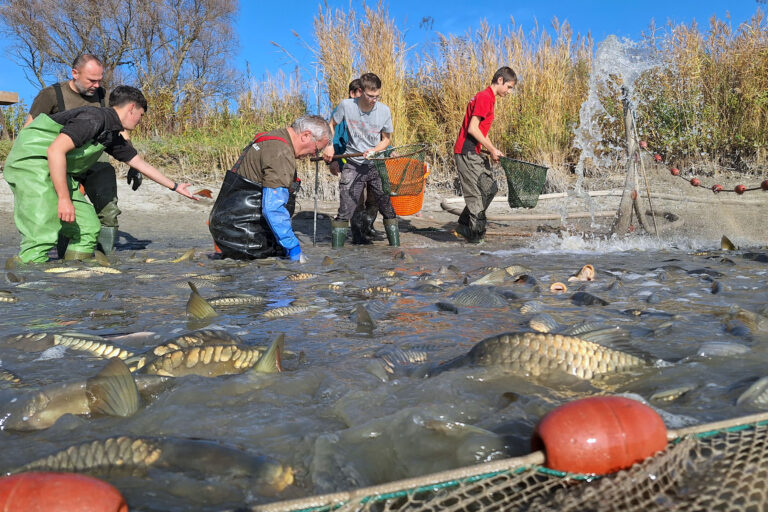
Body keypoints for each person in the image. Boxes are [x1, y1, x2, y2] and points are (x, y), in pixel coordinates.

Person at [4, 86, 197, 263]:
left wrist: (176, 186)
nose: (140, 120)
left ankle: (72, 280)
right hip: (31, 165)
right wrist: (64, 199)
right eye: (141, 114)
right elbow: (55, 151)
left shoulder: (111, 133)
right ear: (132, 108)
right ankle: (26, 288)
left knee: (88, 228)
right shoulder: (94, 118)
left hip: (57, 171)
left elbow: (138, 162)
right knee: (41, 235)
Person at [24, 54, 136, 254]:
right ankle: (65, 260)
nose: (96, 85)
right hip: (61, 160)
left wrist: (135, 164)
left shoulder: (104, 96)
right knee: (67, 212)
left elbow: (120, 129)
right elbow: (29, 131)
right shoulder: (50, 95)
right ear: (74, 73)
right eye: (91, 80)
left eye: (100, 80)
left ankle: (105, 263)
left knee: (109, 209)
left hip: (95, 159)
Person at [208, 115, 331, 261]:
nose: (313, 154)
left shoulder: (271, 138)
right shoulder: (281, 152)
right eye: (317, 149)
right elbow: (273, 208)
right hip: (244, 235)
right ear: (306, 136)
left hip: (228, 225)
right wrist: (293, 248)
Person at [322, 72, 399, 248]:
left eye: (377, 96)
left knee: (386, 205)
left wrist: (375, 150)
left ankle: (396, 248)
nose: (374, 100)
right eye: (370, 96)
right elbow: (331, 125)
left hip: (375, 163)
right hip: (353, 164)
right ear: (361, 91)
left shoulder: (384, 110)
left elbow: (386, 140)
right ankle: (336, 254)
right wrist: (329, 145)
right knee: (346, 207)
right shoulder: (346, 106)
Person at [453, 66, 517, 244]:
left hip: (475, 152)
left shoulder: (488, 98)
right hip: (466, 153)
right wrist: (491, 149)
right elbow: (472, 129)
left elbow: (481, 130)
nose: (509, 92)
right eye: (509, 87)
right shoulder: (485, 97)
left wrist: (492, 149)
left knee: (489, 189)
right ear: (500, 81)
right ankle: (475, 241)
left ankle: (464, 226)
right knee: (476, 198)